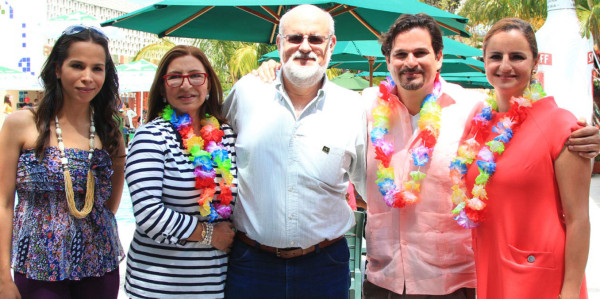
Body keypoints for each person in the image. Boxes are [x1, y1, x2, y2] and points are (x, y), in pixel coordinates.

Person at [256, 13, 600, 298]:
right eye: (400, 54)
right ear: (389, 60)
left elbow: (527, 122)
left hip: (451, 283)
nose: (411, 62)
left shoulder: (474, 109)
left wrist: (583, 135)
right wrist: (270, 73)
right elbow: (312, 101)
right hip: (382, 280)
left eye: (421, 52)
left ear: (439, 57)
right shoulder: (361, 108)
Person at [222, 4, 367, 298]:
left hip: (324, 265)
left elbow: (370, 187)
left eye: (315, 39)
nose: (305, 47)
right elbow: (212, 151)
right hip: (251, 263)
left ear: (331, 45)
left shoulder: (353, 108)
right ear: (279, 44)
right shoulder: (246, 92)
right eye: (294, 38)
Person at [450, 18, 590, 299]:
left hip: (539, 275)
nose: (505, 66)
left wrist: (571, 290)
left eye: (517, 57)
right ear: (484, 61)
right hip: (490, 266)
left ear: (535, 62)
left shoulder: (560, 124)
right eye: (495, 57)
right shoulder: (479, 123)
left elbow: (578, 219)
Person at [0, 25, 125, 298]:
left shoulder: (109, 130)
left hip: (99, 264)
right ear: (57, 69)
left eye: (97, 68)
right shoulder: (21, 124)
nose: (87, 77)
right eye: (77, 66)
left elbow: (110, 205)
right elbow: (3, 203)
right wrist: (2, 278)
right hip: (37, 263)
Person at [124, 45, 237, 298]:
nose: (186, 85)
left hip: (216, 284)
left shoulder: (225, 135)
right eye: (175, 77)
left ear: (208, 84)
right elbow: (148, 213)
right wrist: (210, 235)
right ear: (163, 88)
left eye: (196, 76)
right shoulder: (150, 137)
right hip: (159, 286)